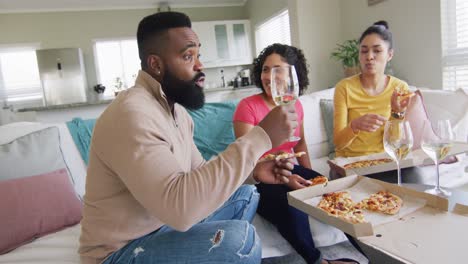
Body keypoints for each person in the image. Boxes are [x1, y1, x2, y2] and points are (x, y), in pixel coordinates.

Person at [78, 11, 299, 264]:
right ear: (156, 64)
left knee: (247, 193)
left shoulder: (177, 112)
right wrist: (260, 137)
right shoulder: (132, 114)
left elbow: (200, 172)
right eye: (187, 56)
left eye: (198, 55)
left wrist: (254, 171)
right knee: (240, 241)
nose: (199, 65)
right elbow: (180, 209)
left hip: (163, 226)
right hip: (121, 251)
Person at [233, 44, 359, 264]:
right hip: (258, 177)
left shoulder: (295, 104)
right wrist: (289, 180)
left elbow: (300, 143)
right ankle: (319, 261)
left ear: (293, 73)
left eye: (277, 69)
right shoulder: (247, 106)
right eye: (265, 69)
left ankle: (374, 253)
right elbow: (246, 157)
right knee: (292, 205)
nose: (269, 76)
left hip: (290, 168)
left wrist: (311, 174)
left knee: (337, 195)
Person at [333, 21, 411, 158]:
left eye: (377, 51)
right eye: (364, 51)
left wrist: (397, 115)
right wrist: (354, 126)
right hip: (351, 162)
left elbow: (396, 142)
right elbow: (338, 143)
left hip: (385, 160)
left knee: (416, 176)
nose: (369, 57)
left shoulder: (400, 88)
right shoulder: (344, 88)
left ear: (390, 55)